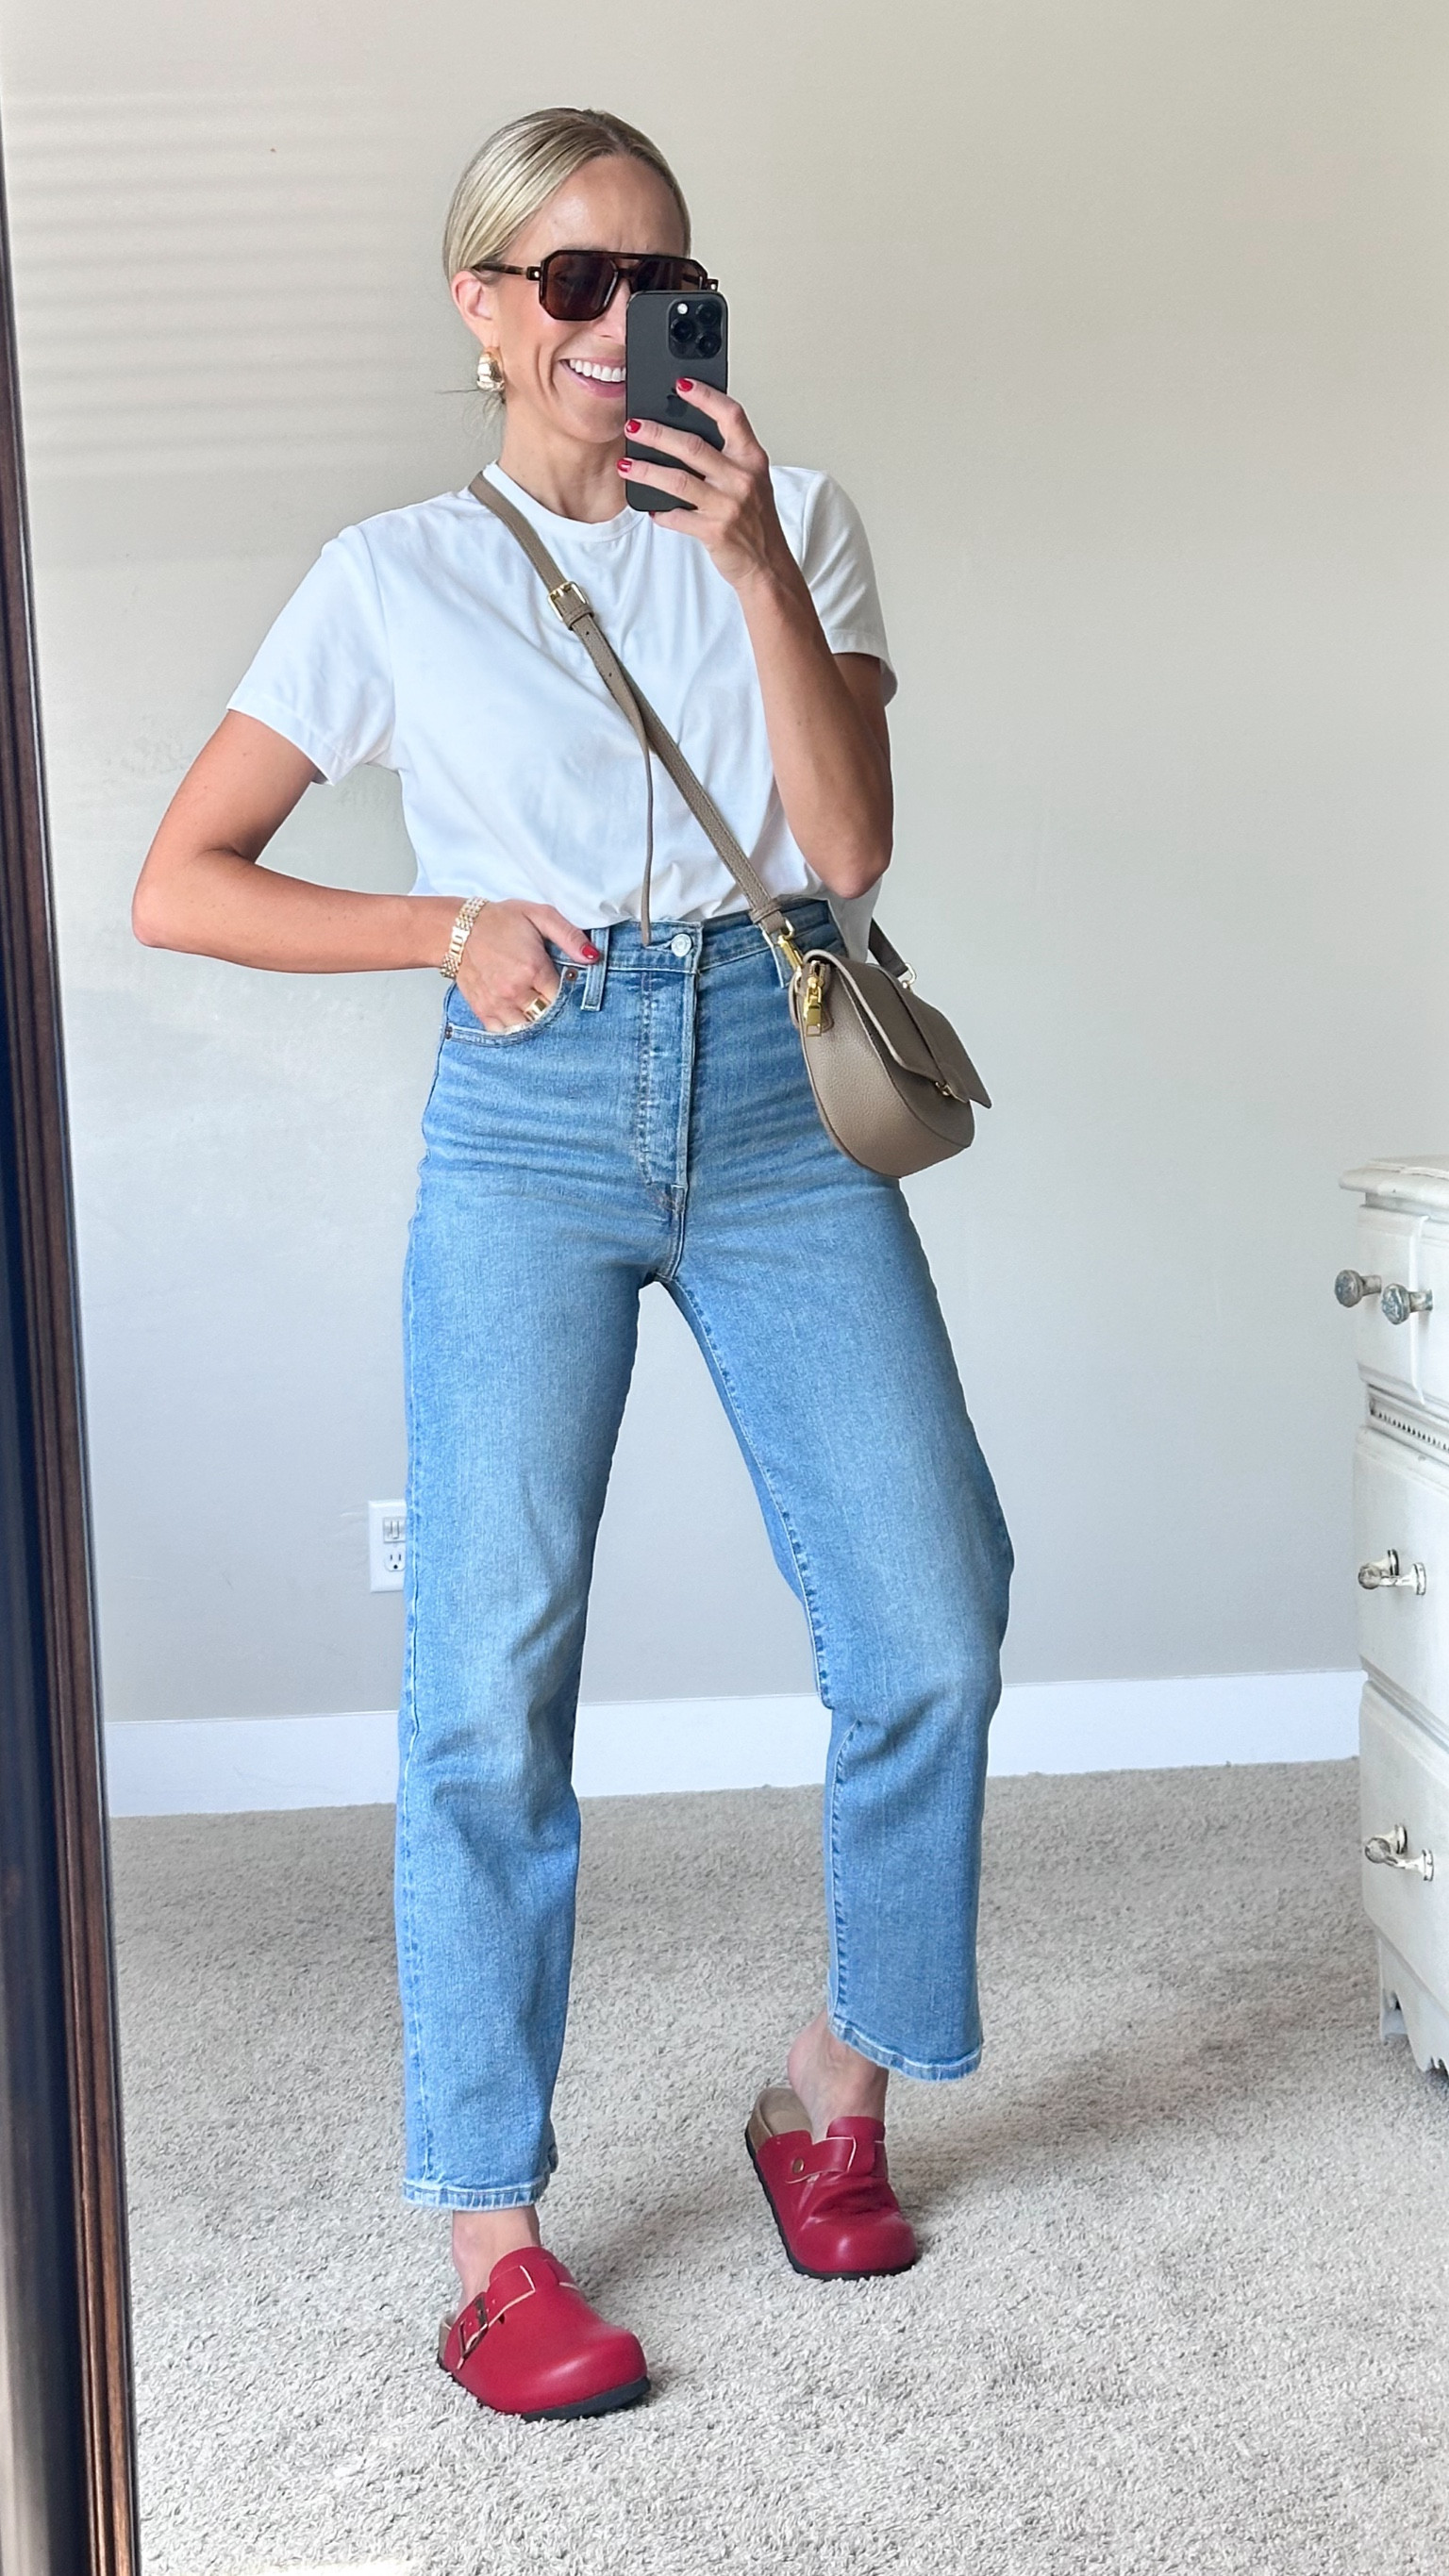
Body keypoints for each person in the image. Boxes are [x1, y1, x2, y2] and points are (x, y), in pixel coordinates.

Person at [132, 105, 1012, 2423]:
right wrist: (440, 922)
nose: (618, 323)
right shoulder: (391, 572)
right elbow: (183, 876)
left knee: (931, 1610)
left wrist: (744, 572)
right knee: (489, 1678)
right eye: (571, 280)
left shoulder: (796, 519)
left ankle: (832, 2088)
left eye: (660, 278)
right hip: (532, 1108)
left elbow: (849, 842)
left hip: (778, 1085)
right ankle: (495, 2238)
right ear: (484, 308)